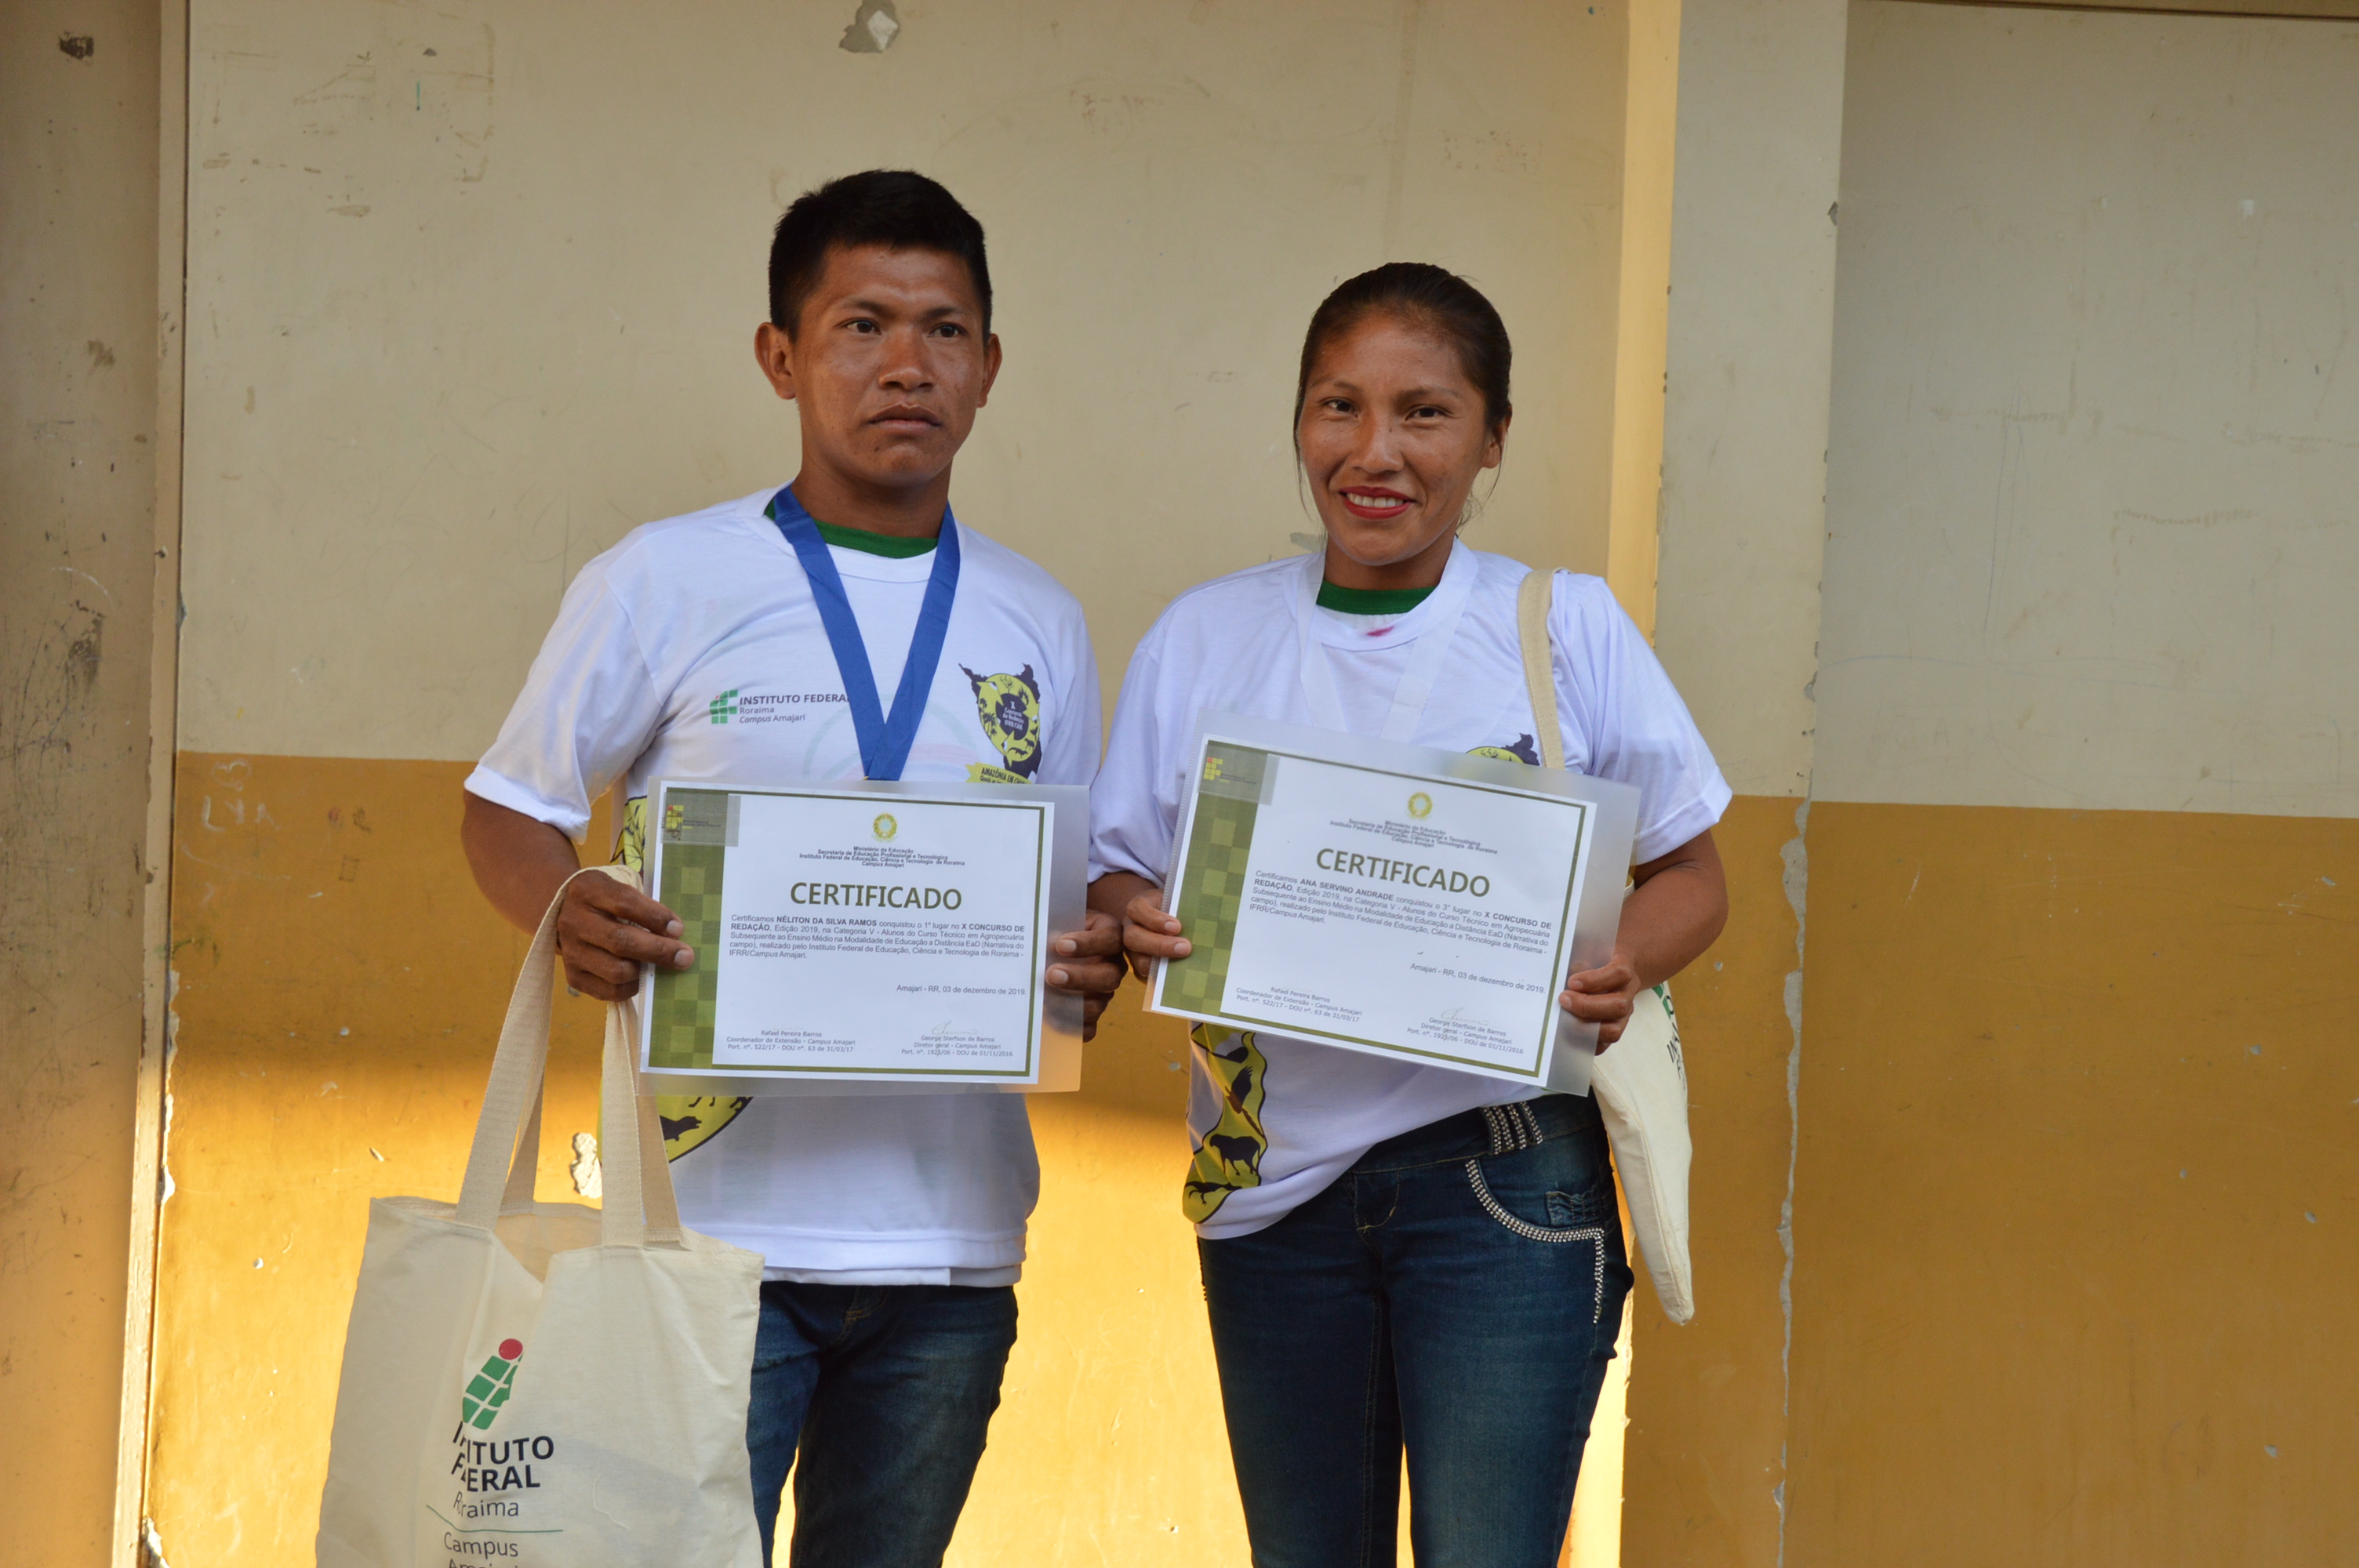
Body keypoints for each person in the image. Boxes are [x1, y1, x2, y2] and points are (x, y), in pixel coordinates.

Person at [460, 169, 1125, 1568]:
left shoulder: (1041, 617)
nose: (906, 365)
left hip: (950, 1255)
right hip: (701, 1240)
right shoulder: (665, 578)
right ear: (780, 356)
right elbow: (509, 811)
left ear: (991, 367)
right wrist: (570, 901)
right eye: (862, 324)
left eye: (946, 330)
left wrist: (1085, 967)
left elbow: (1062, 911)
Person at [1087, 263, 1731, 1567]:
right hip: (1270, 1194)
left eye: (1424, 414)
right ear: (1300, 421)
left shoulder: (1559, 630)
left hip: (1503, 1178)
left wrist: (1617, 969)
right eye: (1339, 406)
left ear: (1492, 439)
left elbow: (1695, 881)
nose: (1373, 452)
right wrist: (1140, 915)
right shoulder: (1204, 638)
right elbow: (1118, 878)